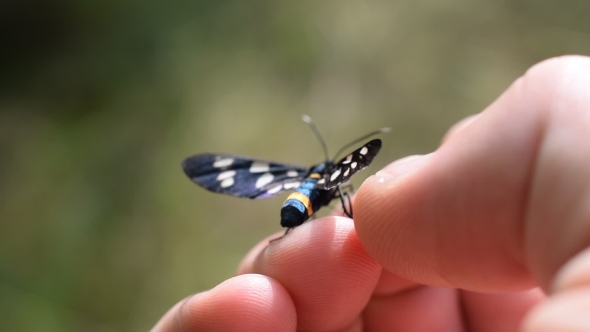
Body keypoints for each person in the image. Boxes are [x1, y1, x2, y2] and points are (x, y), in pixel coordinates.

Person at [152, 55, 590, 332]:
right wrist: (347, 209)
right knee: (337, 210)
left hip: (294, 209)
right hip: (304, 210)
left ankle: (298, 228)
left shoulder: (303, 180)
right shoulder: (336, 179)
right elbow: (343, 184)